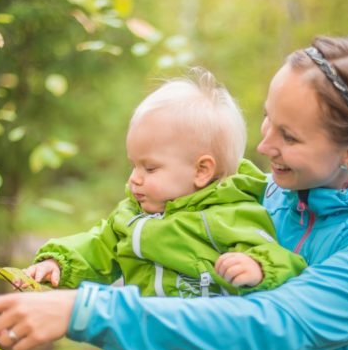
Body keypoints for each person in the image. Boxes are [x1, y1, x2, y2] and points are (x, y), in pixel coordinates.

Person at [0, 36, 348, 350]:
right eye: (267, 120)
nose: (264, 146)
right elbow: (129, 236)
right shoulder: (261, 194)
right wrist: (69, 266)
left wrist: (88, 312)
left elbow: (273, 327)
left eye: (288, 136)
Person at [18, 68, 306, 299]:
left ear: (202, 171)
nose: (134, 178)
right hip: (157, 348)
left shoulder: (230, 214)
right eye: (134, 165)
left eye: (150, 168)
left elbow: (281, 260)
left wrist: (257, 267)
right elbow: (98, 247)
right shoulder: (133, 216)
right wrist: (58, 262)